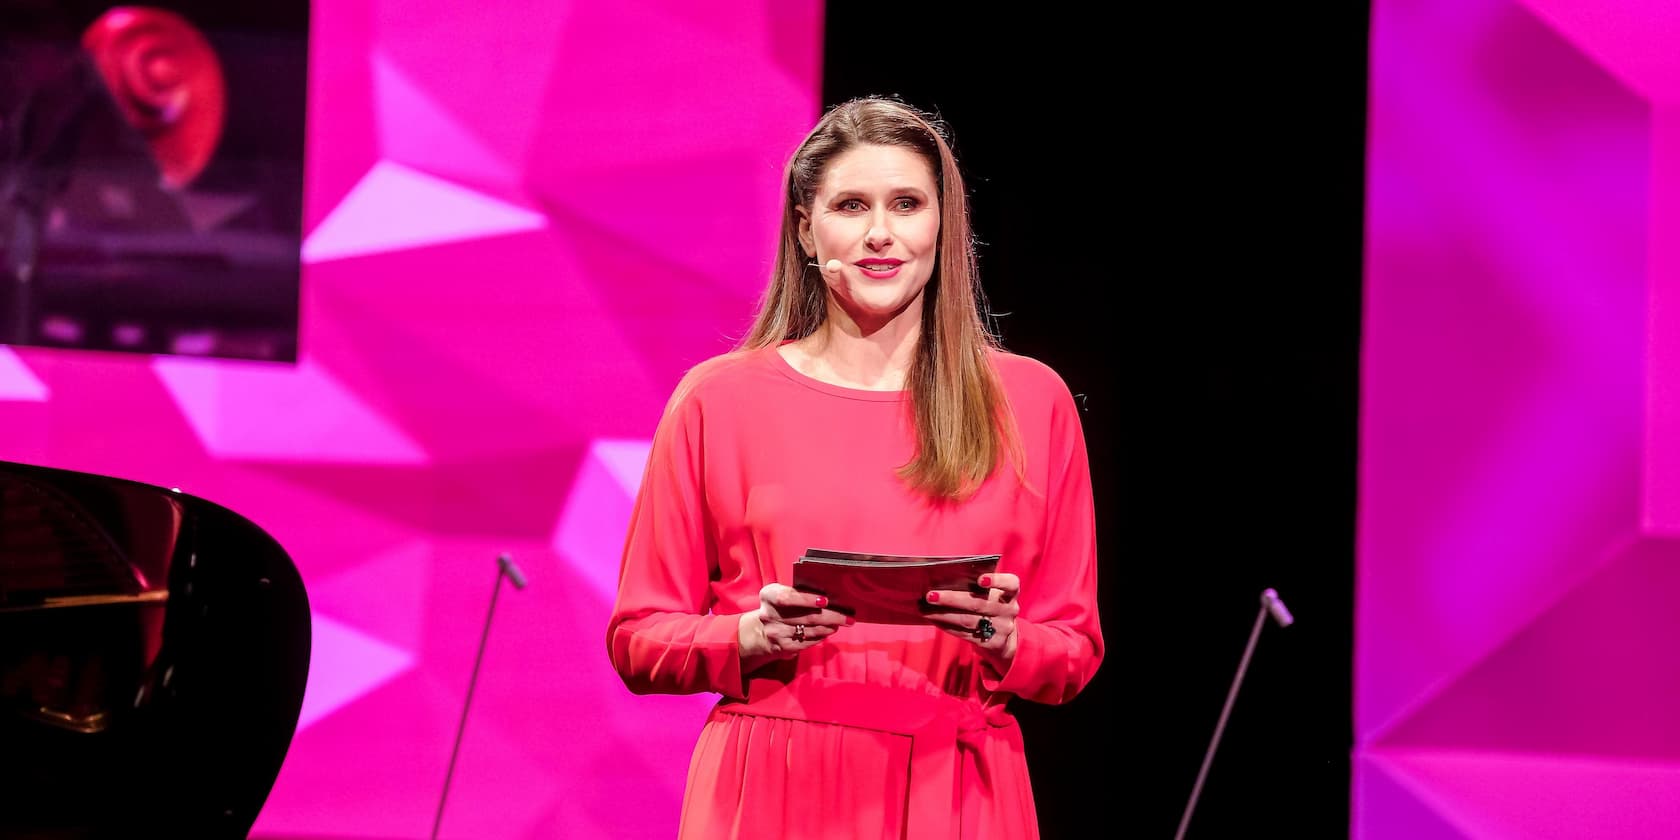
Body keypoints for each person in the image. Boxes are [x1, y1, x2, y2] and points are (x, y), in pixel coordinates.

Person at [606, 96, 1103, 839]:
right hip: (772, 780)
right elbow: (639, 636)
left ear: (943, 224)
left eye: (906, 204)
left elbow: (1073, 645)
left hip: (960, 787)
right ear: (805, 229)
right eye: (849, 205)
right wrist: (746, 636)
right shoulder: (720, 399)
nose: (880, 233)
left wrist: (1005, 638)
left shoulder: (1031, 400)